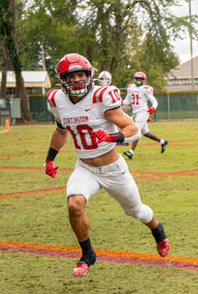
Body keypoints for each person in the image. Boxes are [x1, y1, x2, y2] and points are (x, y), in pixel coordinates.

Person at [44, 53, 170, 276]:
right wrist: (50, 158)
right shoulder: (57, 100)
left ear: (88, 75)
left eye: (80, 75)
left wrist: (114, 137)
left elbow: (132, 129)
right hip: (85, 167)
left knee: (136, 211)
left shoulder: (101, 96)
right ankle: (88, 254)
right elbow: (61, 131)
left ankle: (157, 229)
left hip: (113, 169)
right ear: (62, 80)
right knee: (74, 205)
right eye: (71, 77)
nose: (77, 80)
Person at [122, 71, 168, 159]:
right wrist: (119, 102)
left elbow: (154, 101)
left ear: (144, 80)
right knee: (145, 133)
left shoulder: (145, 89)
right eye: (137, 79)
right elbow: (127, 101)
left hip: (143, 112)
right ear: (134, 79)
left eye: (141, 79)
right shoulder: (131, 87)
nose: (139, 81)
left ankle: (131, 152)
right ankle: (162, 142)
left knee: (136, 130)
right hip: (135, 112)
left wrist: (153, 107)